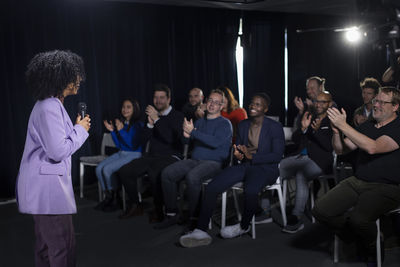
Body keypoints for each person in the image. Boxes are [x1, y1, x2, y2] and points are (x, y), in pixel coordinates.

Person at [179, 93, 285, 248]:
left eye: (258, 104)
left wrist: (252, 157)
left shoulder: (274, 127)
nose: (253, 107)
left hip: (265, 168)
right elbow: (239, 150)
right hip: (244, 165)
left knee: (250, 190)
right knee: (212, 187)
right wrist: (238, 155)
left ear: (265, 109)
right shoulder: (243, 125)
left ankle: (244, 226)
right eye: (251, 103)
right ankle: (200, 230)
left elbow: (277, 156)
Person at [16, 50, 90, 267]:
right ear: (59, 76)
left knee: (46, 247)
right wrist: (80, 129)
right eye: (74, 74)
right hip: (47, 192)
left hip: (43, 191)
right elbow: (57, 151)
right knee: (62, 247)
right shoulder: (49, 107)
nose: (79, 79)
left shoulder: (50, 105)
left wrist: (74, 128)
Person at [312, 86, 400, 266]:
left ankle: (372, 246)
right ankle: (358, 238)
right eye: (376, 101)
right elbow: (340, 149)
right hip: (358, 181)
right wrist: (337, 133)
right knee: (321, 210)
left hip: (388, 187)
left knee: (359, 219)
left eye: (383, 102)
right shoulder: (367, 125)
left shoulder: (398, 126)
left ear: (395, 107)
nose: (376, 105)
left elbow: (373, 147)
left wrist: (344, 125)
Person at [155, 89, 232, 229]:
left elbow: (214, 142)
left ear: (221, 106)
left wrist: (193, 132)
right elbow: (187, 143)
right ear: (206, 102)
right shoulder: (199, 122)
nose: (212, 104)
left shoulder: (225, 124)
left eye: (216, 102)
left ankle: (194, 218)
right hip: (195, 160)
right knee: (167, 174)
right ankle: (172, 214)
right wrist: (186, 135)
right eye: (210, 101)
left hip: (215, 163)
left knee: (192, 177)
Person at [117, 84, 184, 223]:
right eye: (155, 97)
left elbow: (170, 139)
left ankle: (159, 209)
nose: (158, 101)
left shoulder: (177, 115)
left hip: (171, 156)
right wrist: (150, 125)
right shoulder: (151, 116)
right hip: (152, 156)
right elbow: (140, 140)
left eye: (161, 97)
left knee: (155, 173)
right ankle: (136, 205)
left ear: (168, 99)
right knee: (124, 171)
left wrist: (158, 120)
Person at [280, 91, 333, 233]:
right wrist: (303, 129)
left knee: (300, 175)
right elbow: (295, 139)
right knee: (275, 168)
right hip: (299, 158)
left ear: (330, 104)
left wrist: (315, 132)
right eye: (317, 101)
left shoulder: (333, 120)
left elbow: (329, 146)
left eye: (323, 102)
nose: (319, 104)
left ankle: (296, 217)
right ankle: (264, 209)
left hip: (319, 162)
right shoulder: (309, 115)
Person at [94, 98, 143, 212]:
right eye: (123, 107)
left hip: (134, 154)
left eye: (128, 107)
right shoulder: (123, 124)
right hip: (122, 152)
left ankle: (116, 199)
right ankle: (109, 197)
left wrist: (120, 131)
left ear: (134, 109)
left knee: (107, 170)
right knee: (99, 168)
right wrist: (112, 131)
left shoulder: (138, 125)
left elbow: (132, 145)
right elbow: (119, 145)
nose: (125, 109)